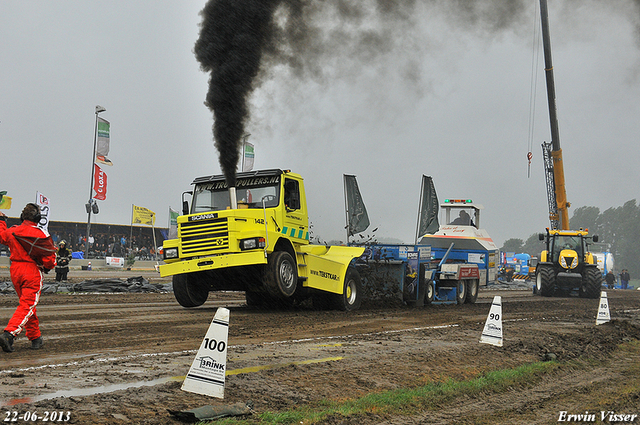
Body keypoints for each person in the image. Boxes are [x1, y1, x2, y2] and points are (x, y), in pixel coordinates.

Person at [0, 204, 57, 352]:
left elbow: (1, 236)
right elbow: (49, 259)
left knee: (27, 305)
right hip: (31, 271)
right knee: (27, 305)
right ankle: (9, 334)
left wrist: (1, 220)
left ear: (22, 217)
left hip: (15, 271)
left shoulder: (13, 231)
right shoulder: (41, 234)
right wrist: (48, 267)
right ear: (38, 218)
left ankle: (35, 337)